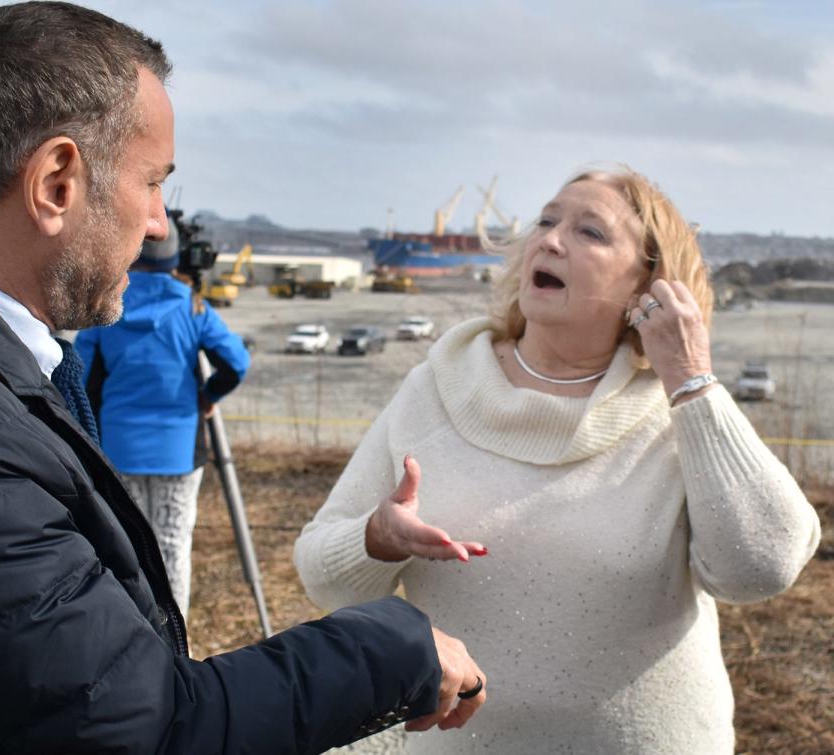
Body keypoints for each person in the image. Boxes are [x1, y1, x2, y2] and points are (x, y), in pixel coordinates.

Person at [0, 3, 486, 753]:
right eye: (151, 182)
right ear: (57, 183)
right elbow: (154, 728)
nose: (161, 223)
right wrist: (398, 649)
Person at [295, 166, 821, 754]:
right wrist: (377, 537)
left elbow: (762, 570)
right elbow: (323, 578)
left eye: (590, 232)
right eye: (546, 220)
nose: (547, 239)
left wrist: (694, 381)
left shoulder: (677, 410)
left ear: (648, 284)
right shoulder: (436, 388)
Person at [75, 219, 251, 621]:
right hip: (179, 449)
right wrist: (209, 396)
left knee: (125, 544)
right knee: (173, 544)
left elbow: (80, 375)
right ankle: (176, 638)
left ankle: (133, 628)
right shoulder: (193, 306)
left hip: (118, 449)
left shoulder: (109, 304)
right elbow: (236, 362)